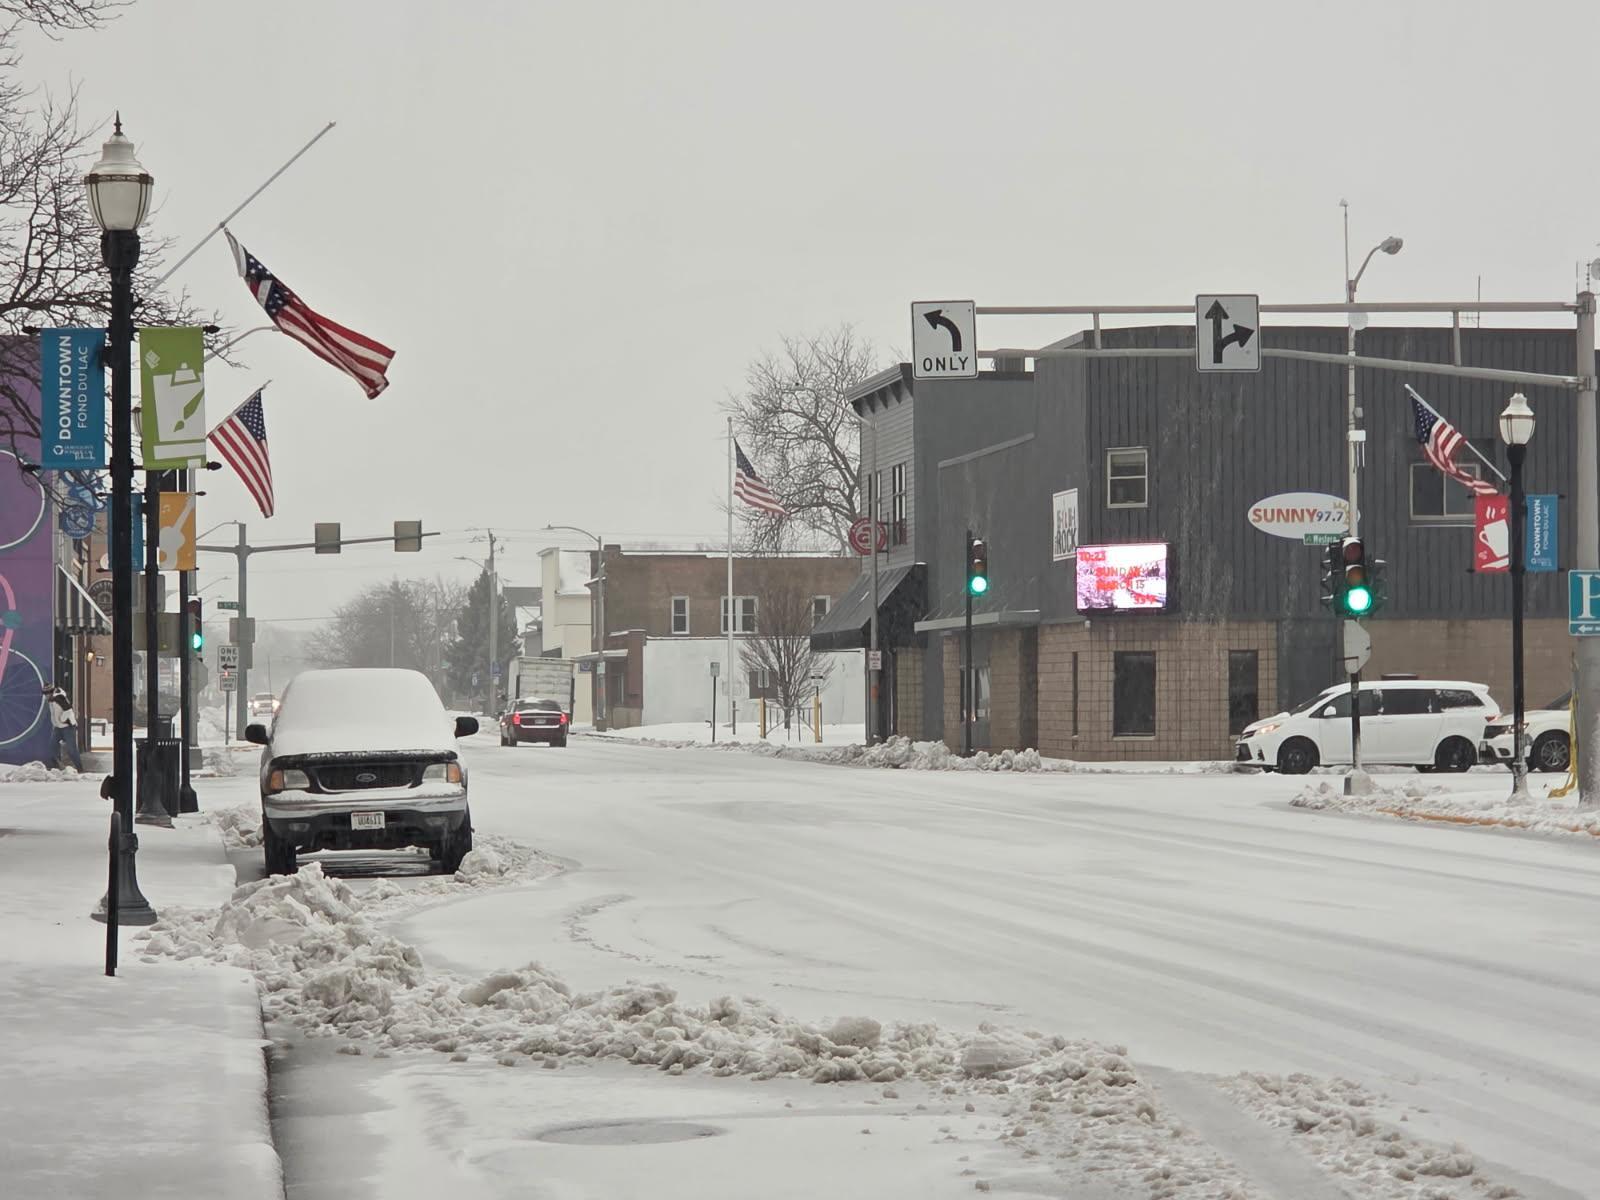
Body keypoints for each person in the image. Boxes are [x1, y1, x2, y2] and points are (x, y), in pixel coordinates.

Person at [44, 684, 83, 772]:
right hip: (58, 728)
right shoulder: (51, 700)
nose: (45, 696)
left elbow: (69, 710)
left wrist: (62, 719)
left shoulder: (59, 698)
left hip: (68, 727)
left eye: (46, 693)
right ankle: (58, 768)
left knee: (71, 750)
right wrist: (56, 723)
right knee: (52, 748)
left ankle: (80, 768)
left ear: (50, 692)